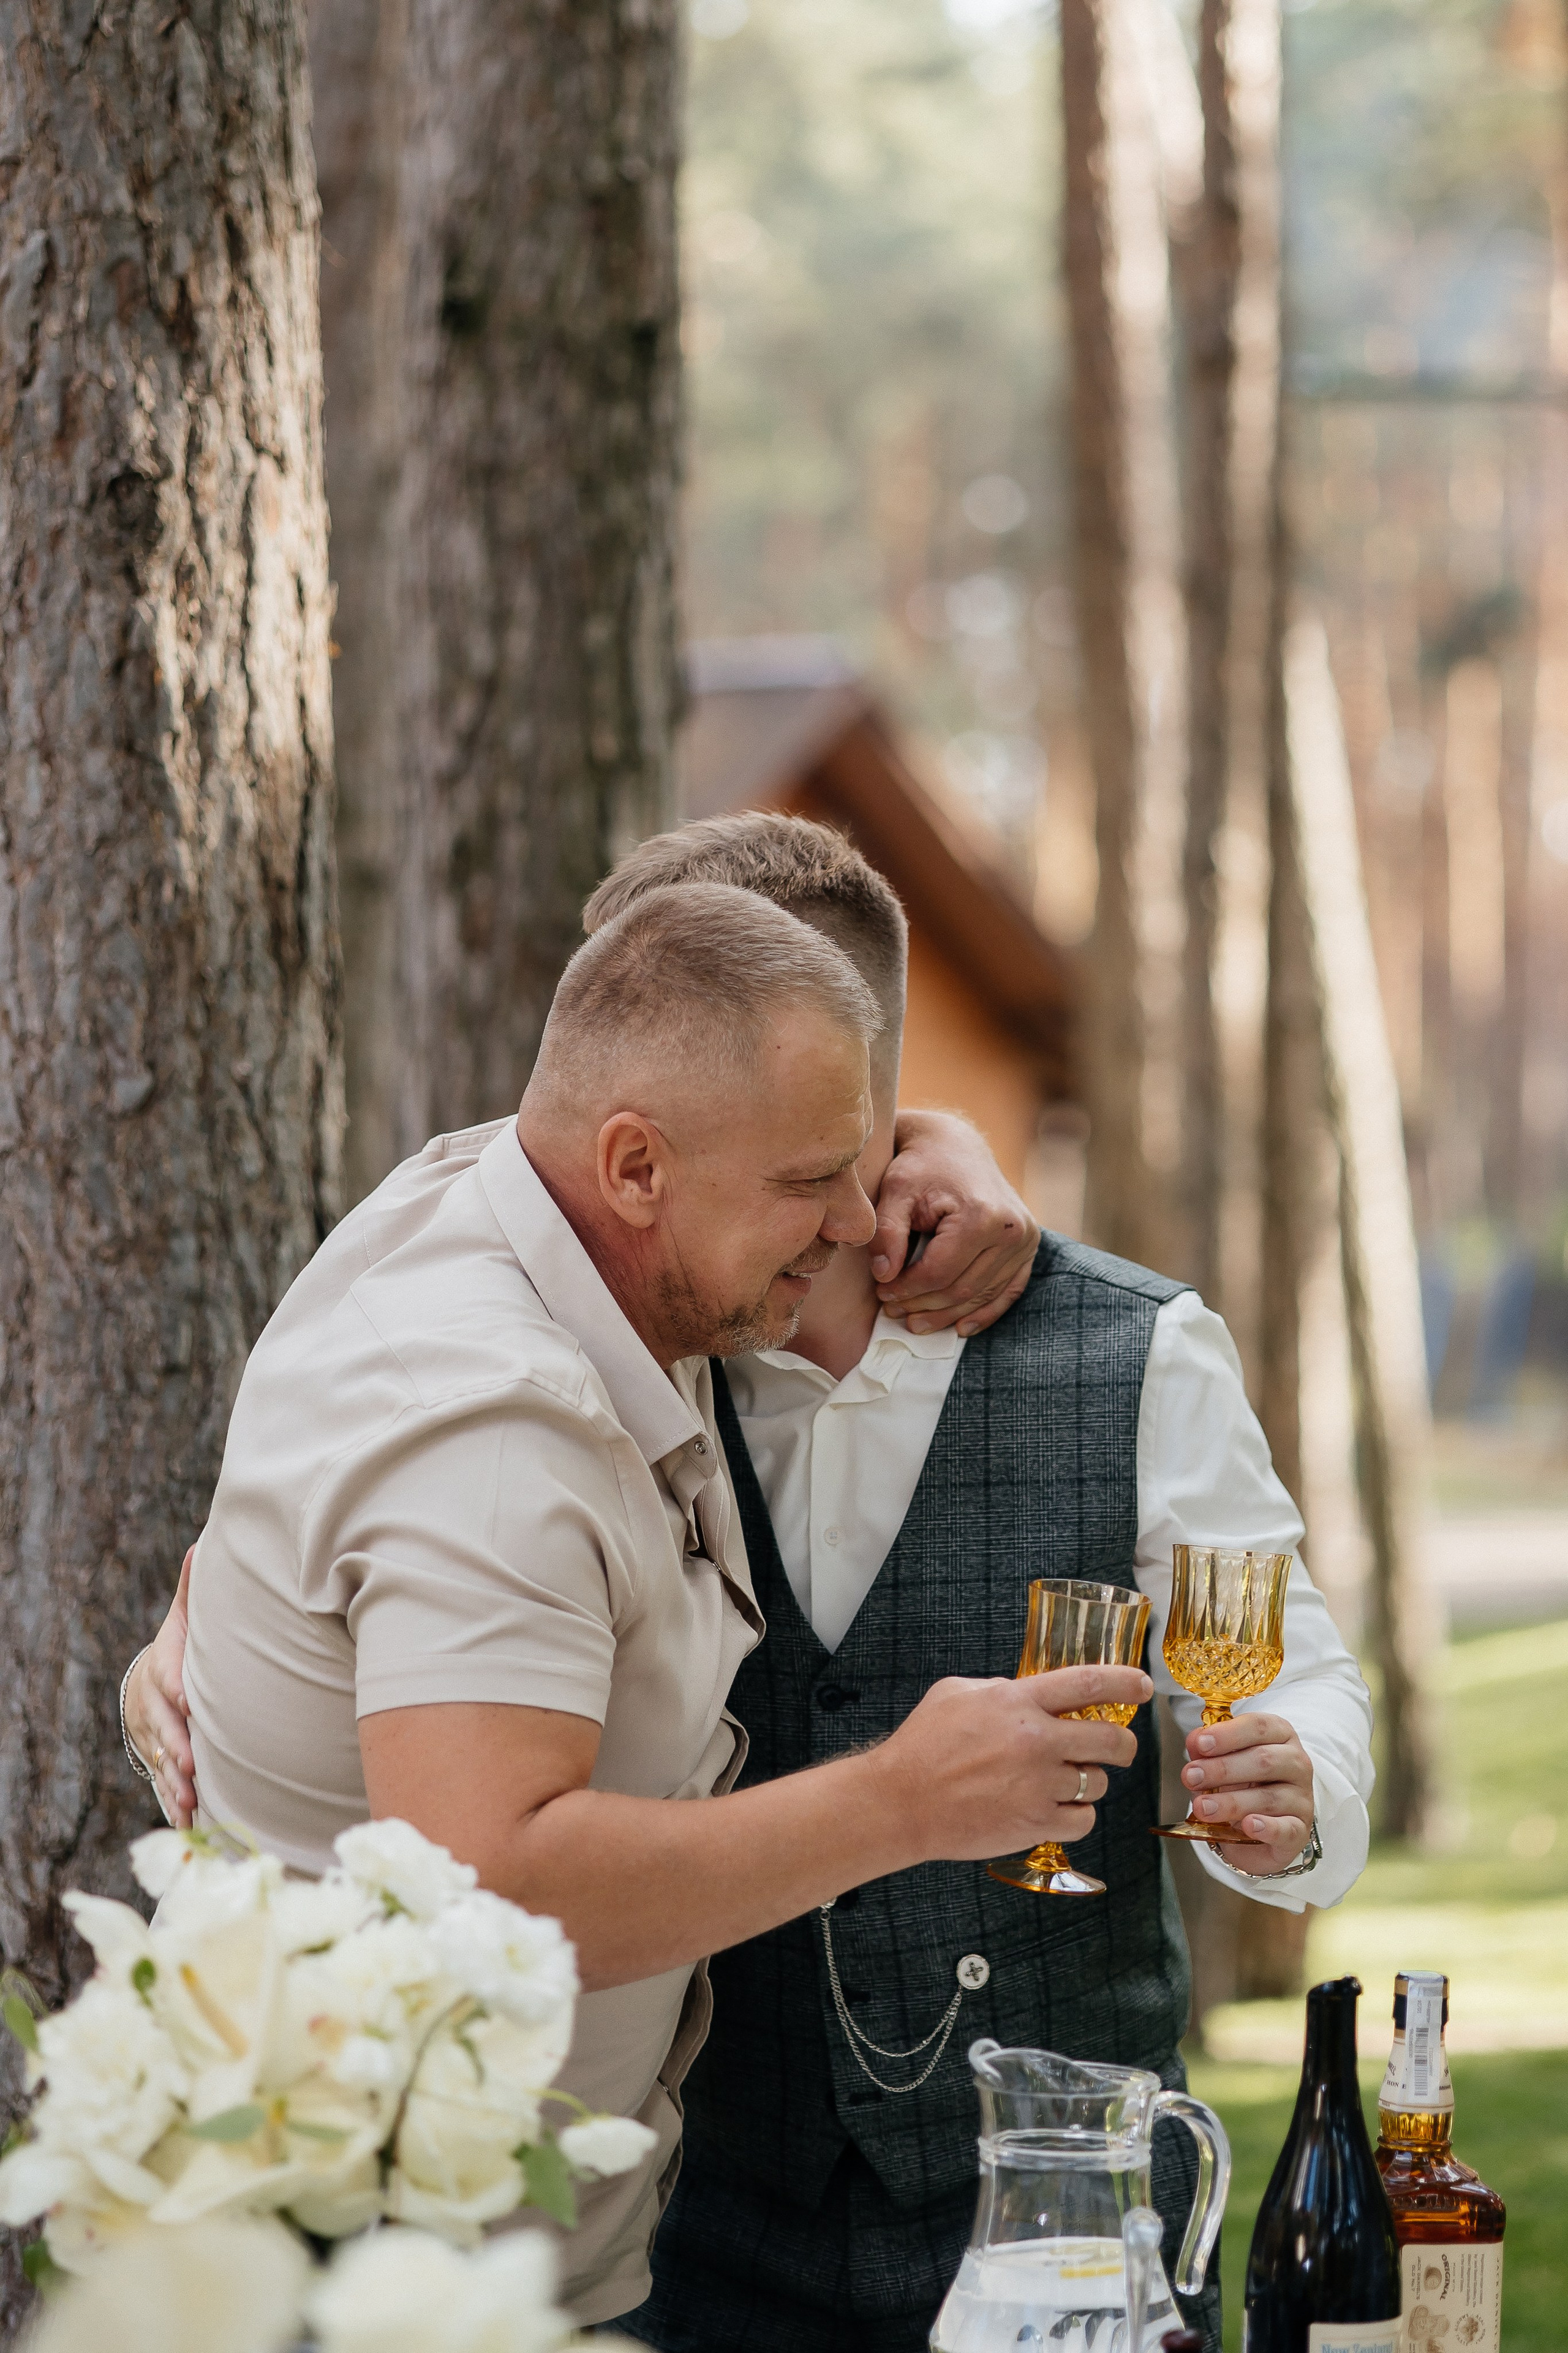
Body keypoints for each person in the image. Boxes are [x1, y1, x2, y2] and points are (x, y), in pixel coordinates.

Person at [120, 878, 1148, 2332]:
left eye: (863, 1165)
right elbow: (495, 1879)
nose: (855, 1222)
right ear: (635, 1166)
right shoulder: (495, 1430)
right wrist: (908, 1801)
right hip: (386, 2291)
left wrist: (949, 1157)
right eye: (815, 1182)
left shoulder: (496, 1193)